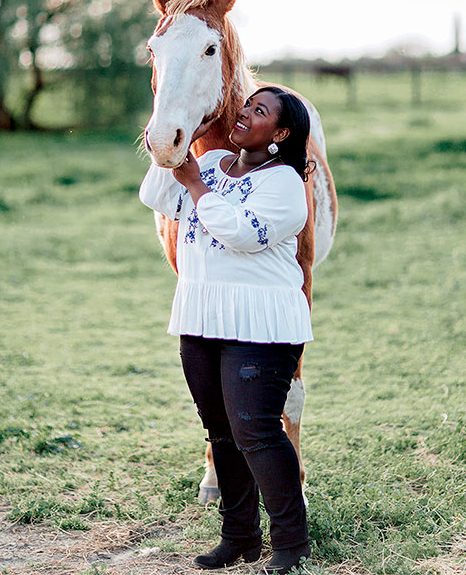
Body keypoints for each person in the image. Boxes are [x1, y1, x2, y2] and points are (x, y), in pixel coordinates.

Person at [139, 86, 314, 575]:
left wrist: (197, 186)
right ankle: (239, 537)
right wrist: (177, 151)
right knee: (221, 433)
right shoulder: (213, 162)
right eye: (247, 105)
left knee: (255, 431)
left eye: (260, 112)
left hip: (261, 325)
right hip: (200, 319)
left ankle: (292, 542)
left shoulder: (283, 183)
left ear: (279, 134)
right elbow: (154, 196)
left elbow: (239, 233)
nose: (246, 113)